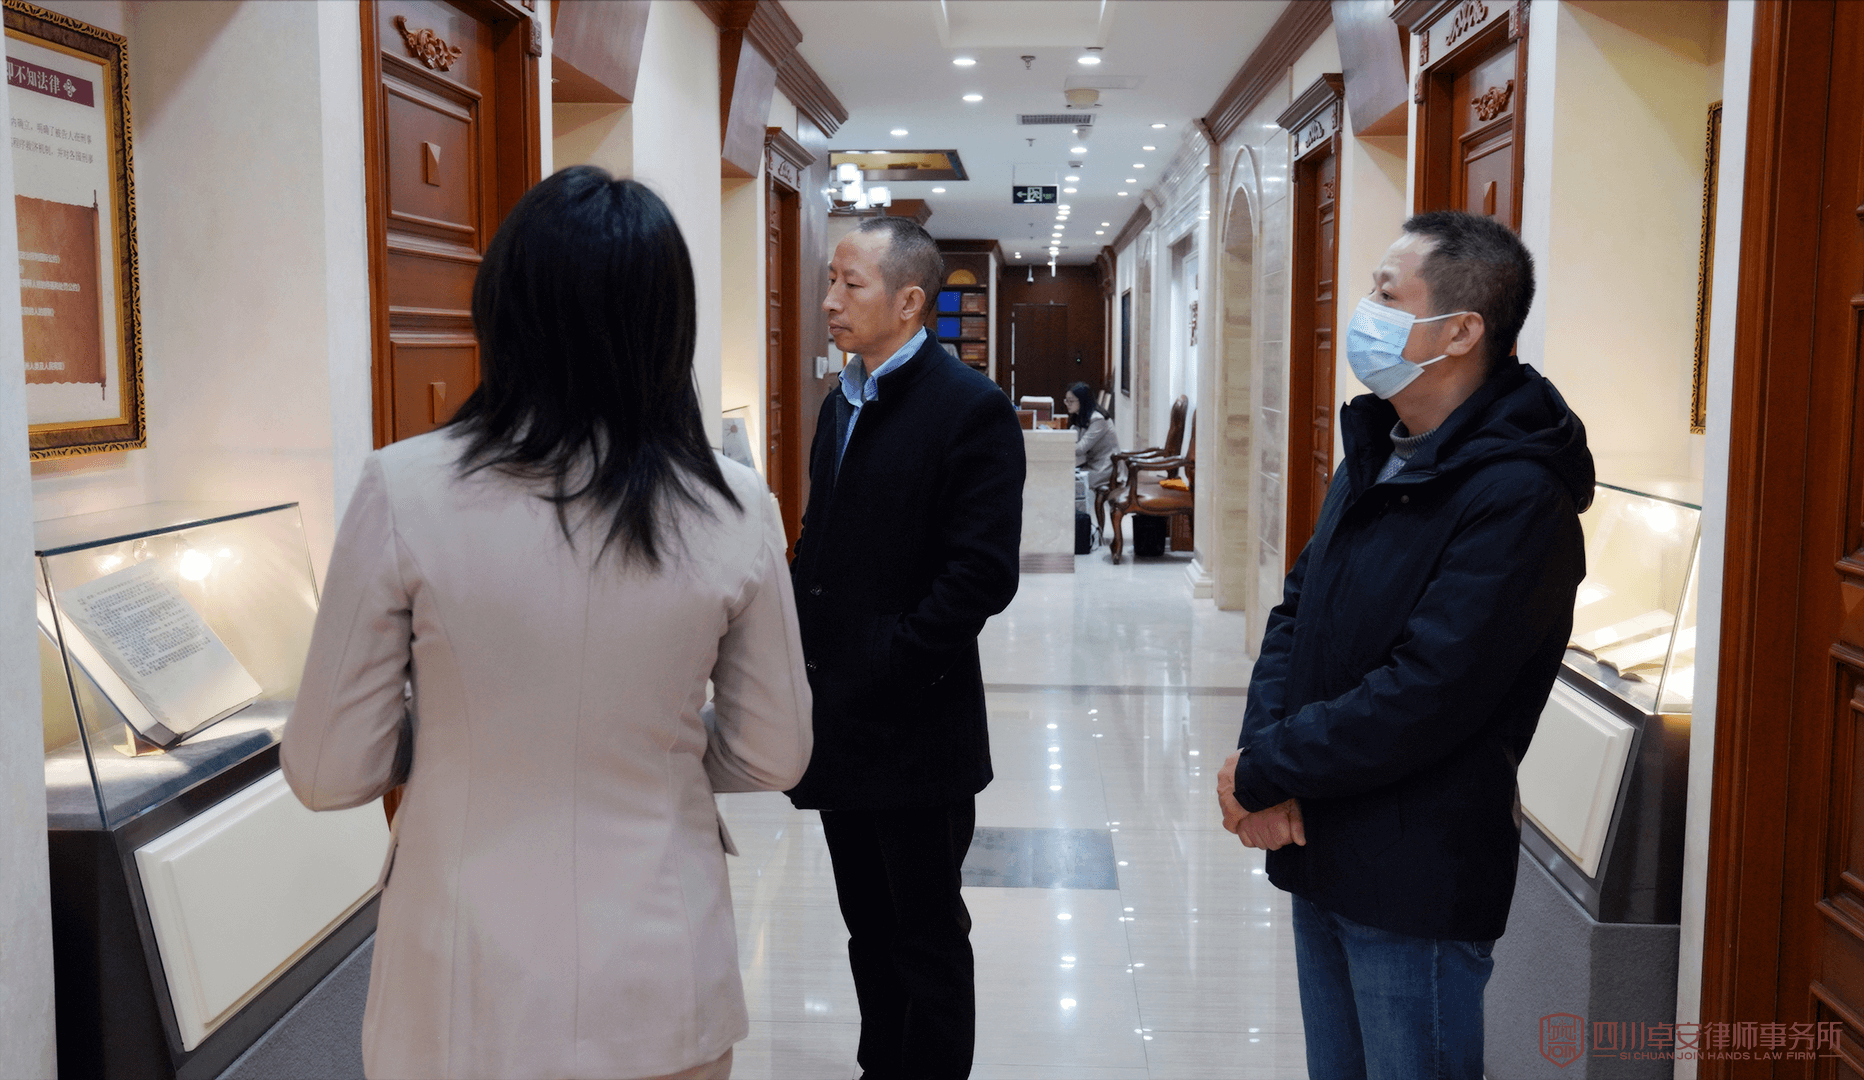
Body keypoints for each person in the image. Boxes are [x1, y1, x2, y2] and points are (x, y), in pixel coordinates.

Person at [282, 167, 813, 1080]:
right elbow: (776, 751)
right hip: (663, 969)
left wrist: (446, 735)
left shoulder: (403, 487)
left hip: (459, 977)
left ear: (501, 311)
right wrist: (658, 745)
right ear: (669, 324)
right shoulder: (735, 506)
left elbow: (330, 770)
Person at [1216, 210, 1593, 1077]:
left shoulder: (1518, 497)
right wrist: (1261, 759)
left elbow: (1429, 690)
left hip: (1415, 873)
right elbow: (1298, 614)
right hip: (1318, 835)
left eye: (1388, 296)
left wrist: (1270, 768)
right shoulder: (1379, 451)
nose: (1366, 313)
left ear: (1460, 331)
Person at [785, 216, 1025, 1079]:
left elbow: (981, 576)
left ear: (910, 300)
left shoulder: (969, 409)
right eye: (831, 281)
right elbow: (820, 541)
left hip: (916, 727)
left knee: (925, 934)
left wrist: (890, 662)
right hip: (839, 722)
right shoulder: (839, 402)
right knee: (868, 928)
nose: (829, 301)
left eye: (850, 284)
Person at [1063, 381, 1119, 494]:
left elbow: (1080, 448)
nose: (1067, 404)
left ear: (1083, 401)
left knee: (1064, 481)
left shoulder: (1098, 419)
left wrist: (1060, 442)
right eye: (1066, 401)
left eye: (1071, 401)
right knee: (1061, 476)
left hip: (1103, 469)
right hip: (1090, 464)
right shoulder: (1080, 416)